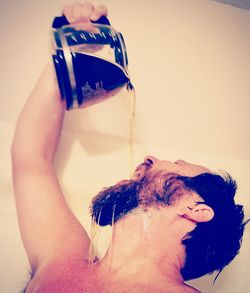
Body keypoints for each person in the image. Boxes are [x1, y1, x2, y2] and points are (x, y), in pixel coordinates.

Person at [11, 2, 247, 292]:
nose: (150, 158)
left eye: (177, 165)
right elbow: (31, 159)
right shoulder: (62, 257)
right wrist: (68, 51)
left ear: (196, 209)